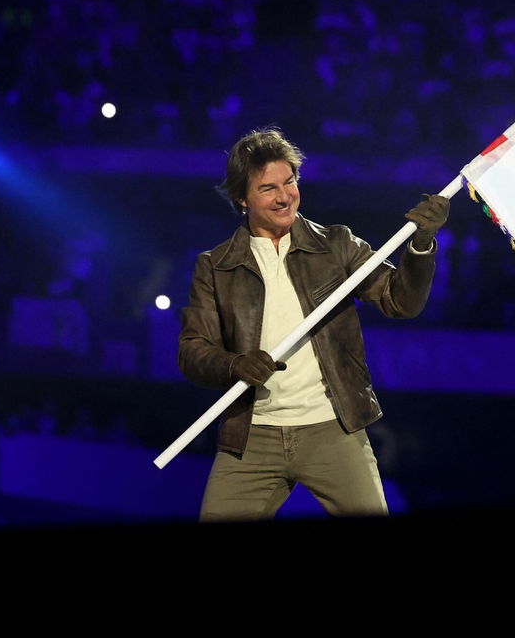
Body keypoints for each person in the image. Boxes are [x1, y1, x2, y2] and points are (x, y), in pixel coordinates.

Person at [178, 127, 448, 519]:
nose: (285, 196)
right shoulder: (215, 265)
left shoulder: (337, 245)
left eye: (289, 182)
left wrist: (421, 245)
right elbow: (192, 352)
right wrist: (234, 365)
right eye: (268, 188)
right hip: (252, 435)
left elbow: (400, 301)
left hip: (333, 428)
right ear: (242, 198)